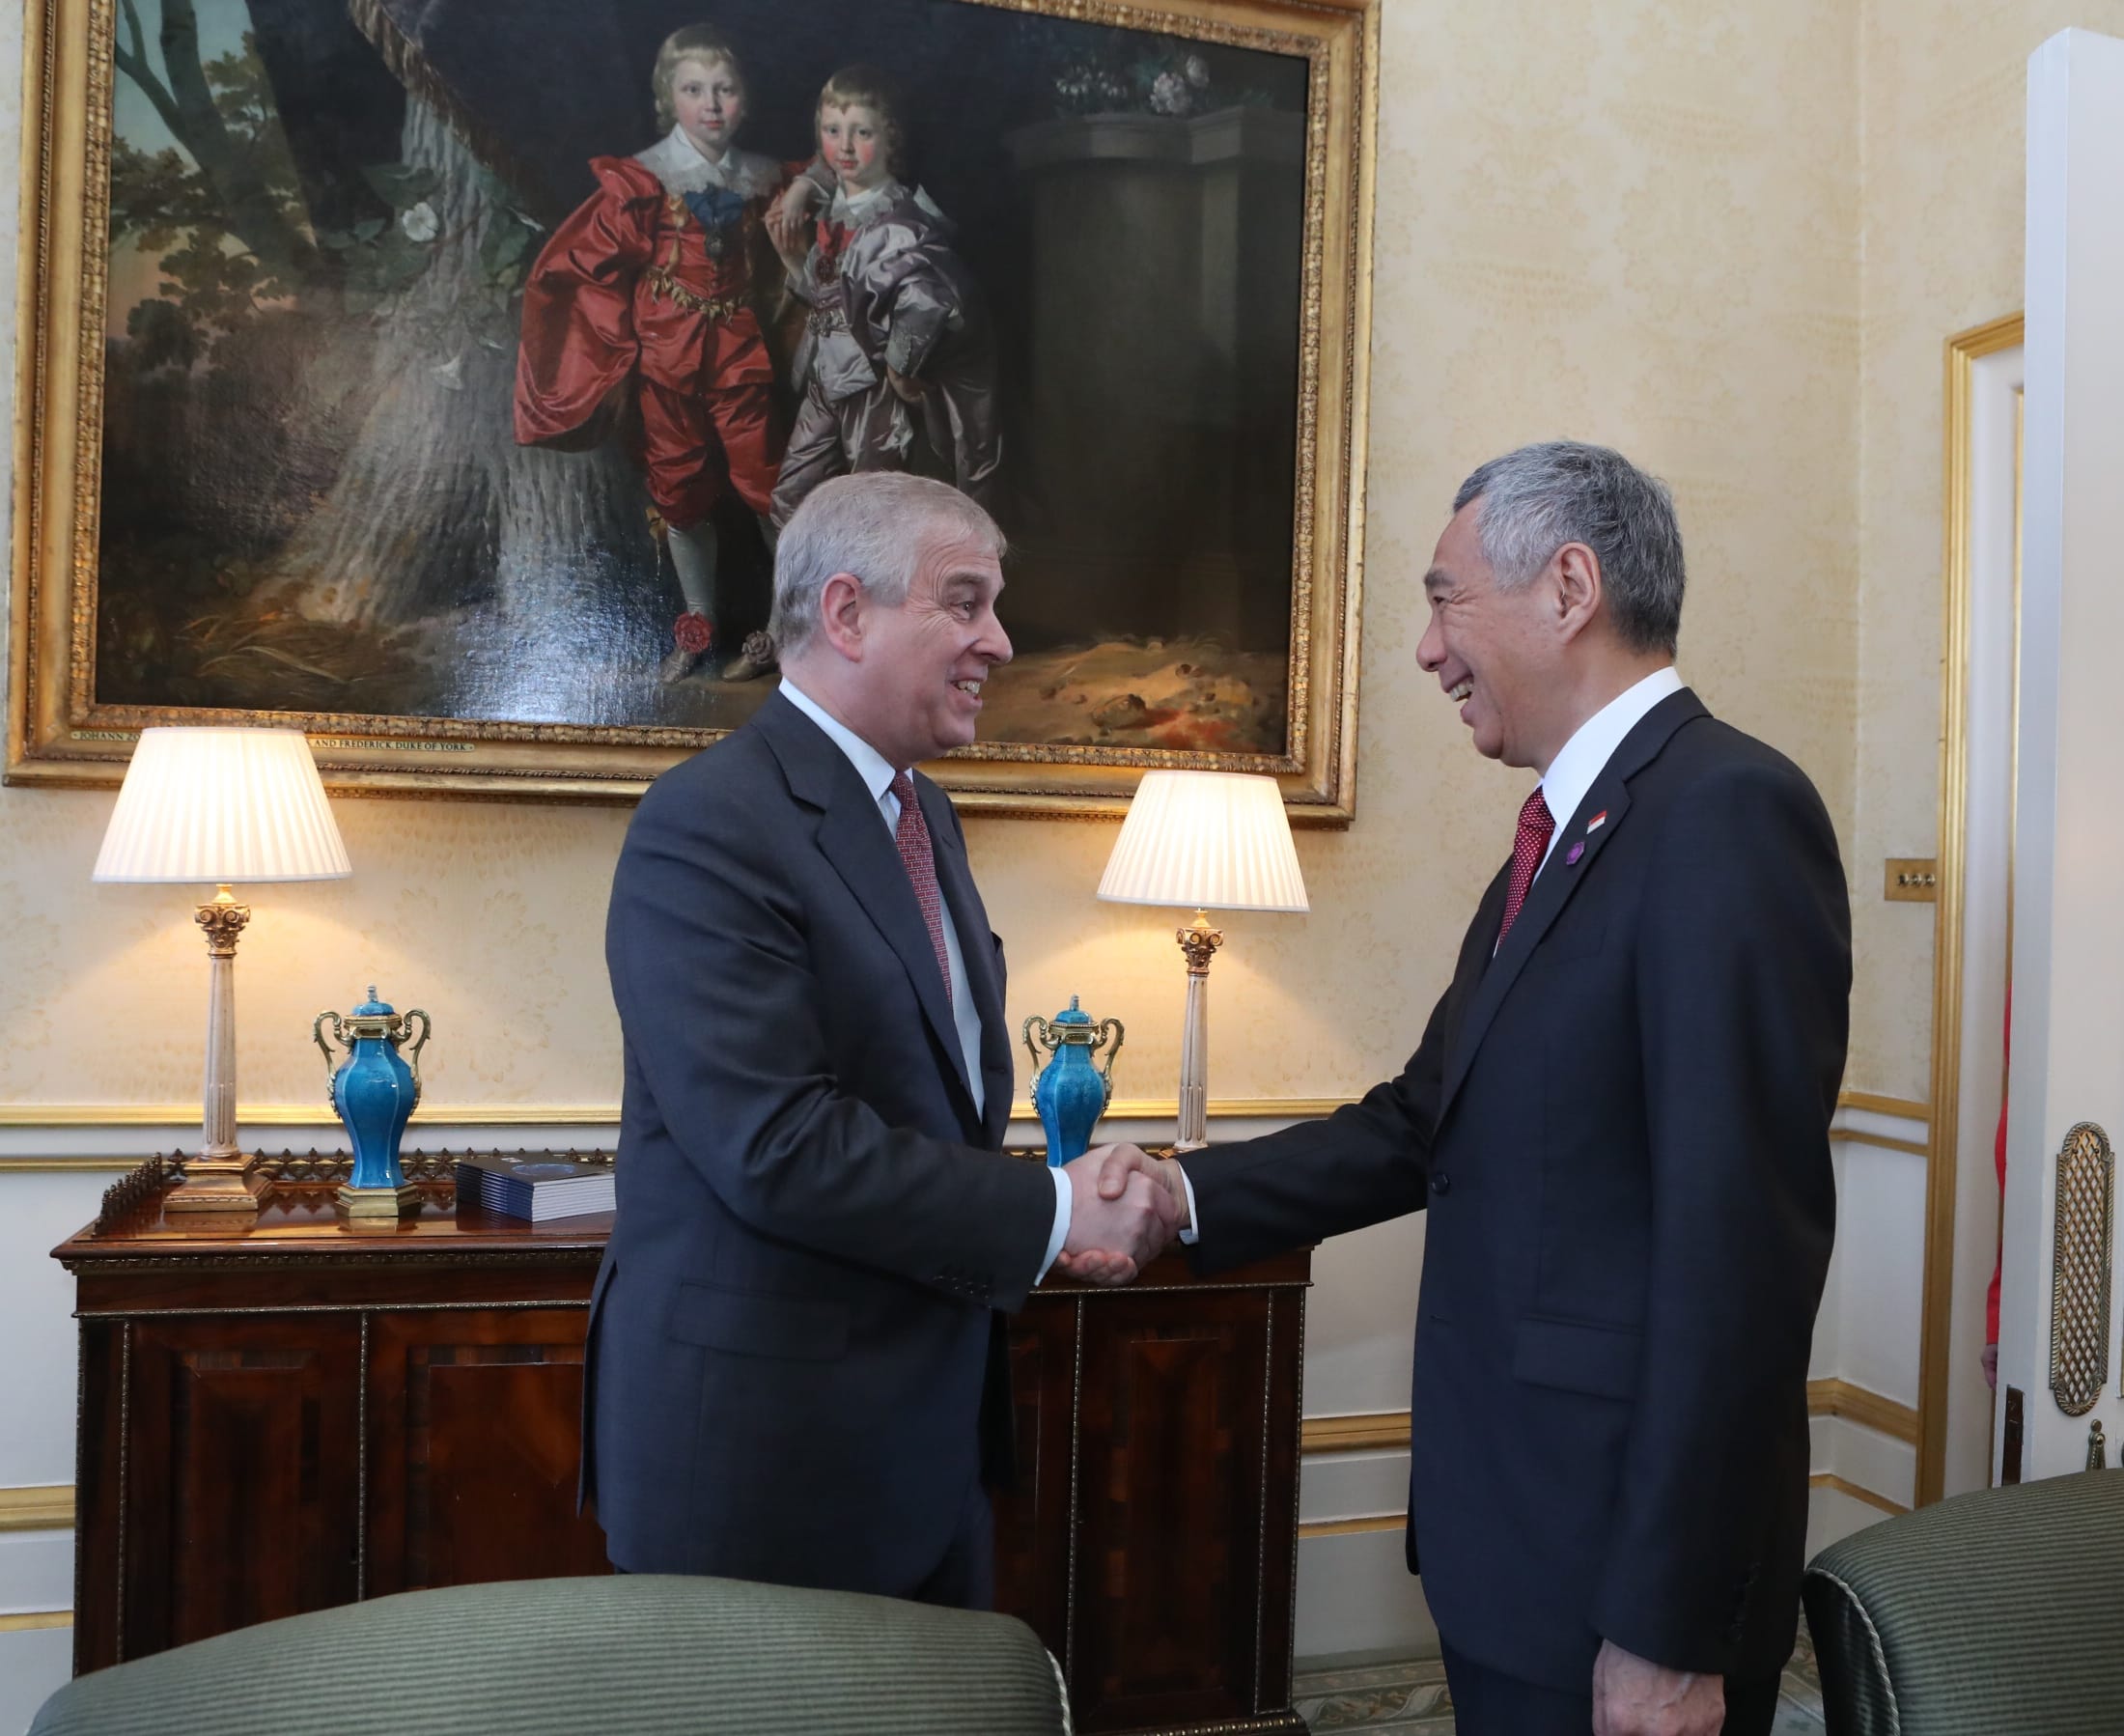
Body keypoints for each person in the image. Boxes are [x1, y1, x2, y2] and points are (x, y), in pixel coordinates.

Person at [1078, 442, 1852, 1735]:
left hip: (1622, 1573)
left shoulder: (1726, 812)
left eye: (1445, 600)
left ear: (1568, 586)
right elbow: (1421, 1118)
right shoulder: (1564, 835)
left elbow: (1742, 1258)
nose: (1429, 650)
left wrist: (1668, 1628)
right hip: (1523, 1544)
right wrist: (1178, 1193)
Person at [586, 471, 1176, 1607]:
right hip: (763, 1464)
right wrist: (1052, 1209)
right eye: (965, 602)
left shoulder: (921, 810)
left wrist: (1041, 1220)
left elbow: (925, 1102)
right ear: (847, 614)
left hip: (921, 1440)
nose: (999, 642)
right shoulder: (707, 820)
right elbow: (776, 1145)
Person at [515, 24, 816, 684]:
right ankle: (697, 626)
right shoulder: (644, 177)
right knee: (678, 492)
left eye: (726, 89)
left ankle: (784, 629)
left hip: (738, 349)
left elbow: (825, 170)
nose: (711, 104)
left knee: (769, 487)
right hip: (665, 353)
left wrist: (797, 192)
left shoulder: (763, 174)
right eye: (694, 89)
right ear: (668, 98)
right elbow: (584, 264)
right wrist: (611, 339)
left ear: (745, 99)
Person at [767, 65, 1001, 529]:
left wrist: (899, 365)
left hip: (872, 384)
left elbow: (930, 299)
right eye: (833, 131)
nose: (846, 147)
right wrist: (795, 261)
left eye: (862, 132)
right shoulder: (835, 207)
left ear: (890, 140)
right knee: (789, 503)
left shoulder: (900, 217)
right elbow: (830, 295)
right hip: (824, 377)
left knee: (871, 508)